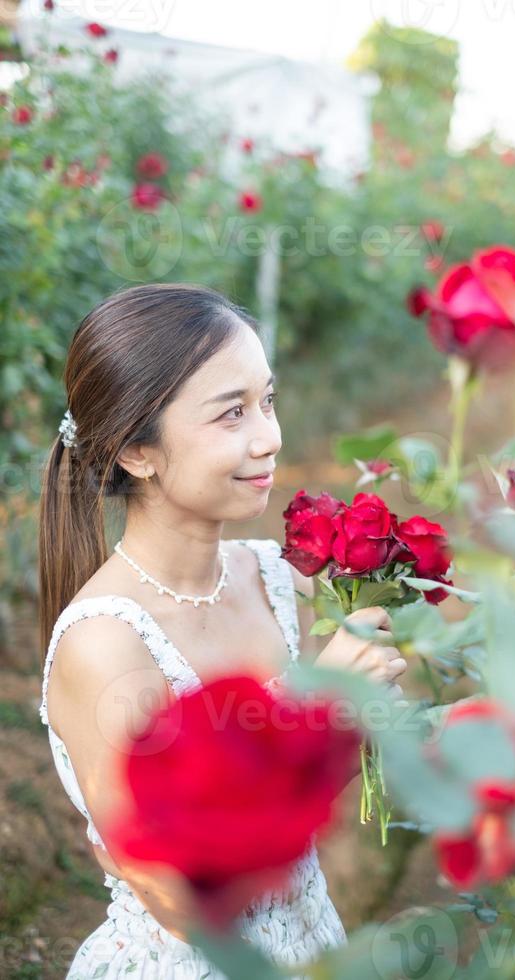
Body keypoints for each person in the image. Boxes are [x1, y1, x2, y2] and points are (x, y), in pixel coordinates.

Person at [37, 282, 408, 978]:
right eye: (230, 413)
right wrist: (322, 710)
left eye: (266, 401)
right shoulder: (105, 644)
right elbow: (183, 900)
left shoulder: (271, 576)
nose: (268, 436)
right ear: (137, 453)